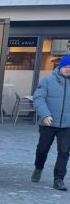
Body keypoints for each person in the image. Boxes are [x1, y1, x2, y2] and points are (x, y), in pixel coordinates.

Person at [31, 54, 70, 191]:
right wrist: (45, 114)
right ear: (60, 67)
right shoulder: (47, 81)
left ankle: (58, 179)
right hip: (48, 123)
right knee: (42, 149)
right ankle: (38, 167)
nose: (68, 69)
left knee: (64, 152)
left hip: (67, 125)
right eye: (66, 66)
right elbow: (38, 98)